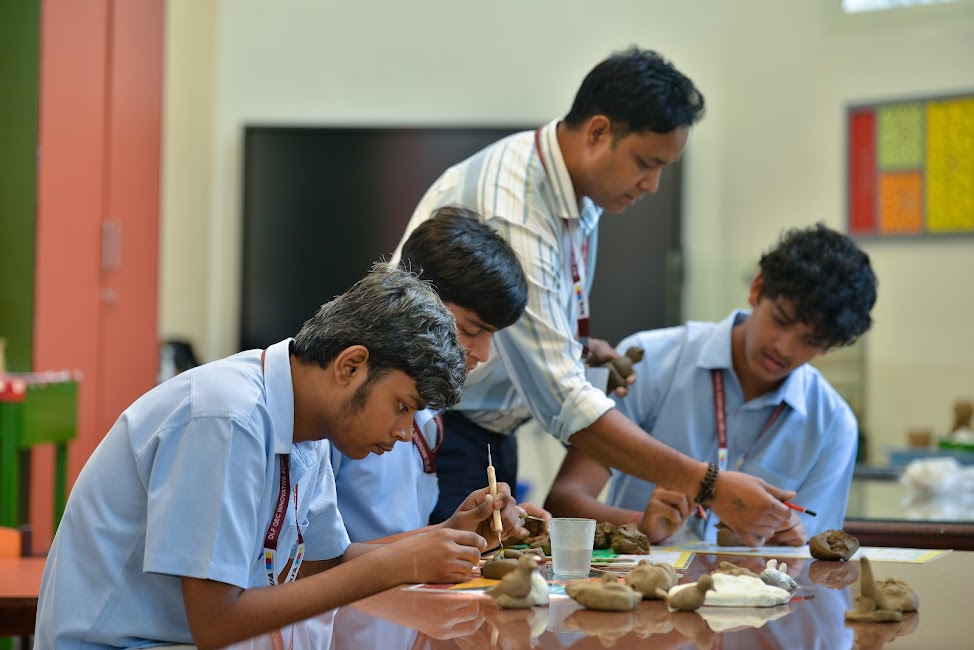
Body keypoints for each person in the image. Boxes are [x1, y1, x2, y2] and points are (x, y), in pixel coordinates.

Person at [392, 45, 794, 544]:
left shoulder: (577, 194)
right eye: (645, 163)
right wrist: (708, 485)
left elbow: (524, 333)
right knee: (443, 588)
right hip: (436, 430)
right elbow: (565, 401)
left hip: (483, 432)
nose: (652, 185)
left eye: (664, 168)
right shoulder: (515, 209)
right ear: (598, 132)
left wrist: (575, 350)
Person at [34, 265, 522, 650]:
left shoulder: (309, 427)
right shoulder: (228, 417)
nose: (403, 432)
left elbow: (322, 564)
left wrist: (447, 537)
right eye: (402, 406)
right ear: (351, 365)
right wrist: (397, 567)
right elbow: (215, 623)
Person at [544, 224, 878, 546]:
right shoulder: (650, 361)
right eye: (781, 319)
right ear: (757, 289)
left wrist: (789, 540)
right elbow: (563, 503)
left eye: (810, 341)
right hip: (637, 582)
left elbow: (815, 553)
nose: (784, 347)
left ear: (828, 347)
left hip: (756, 587)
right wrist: (638, 525)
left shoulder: (833, 426)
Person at [332, 206, 547, 543]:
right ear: (417, 298)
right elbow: (315, 561)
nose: (483, 354)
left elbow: (399, 542)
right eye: (471, 330)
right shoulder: (342, 401)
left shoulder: (429, 414)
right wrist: (445, 539)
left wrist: (472, 531)